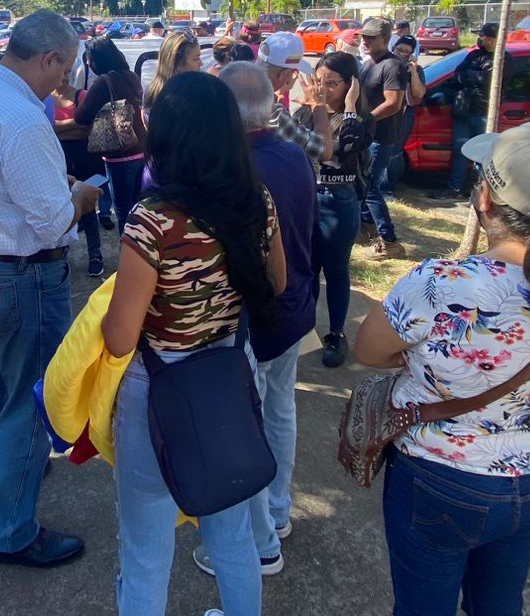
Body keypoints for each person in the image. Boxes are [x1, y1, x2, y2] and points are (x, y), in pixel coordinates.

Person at [354, 122, 530, 616]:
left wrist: (419, 360)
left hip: (439, 476)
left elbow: (368, 350)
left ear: (485, 198)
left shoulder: (442, 282)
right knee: (498, 603)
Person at [102, 71, 285, 616]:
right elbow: (277, 282)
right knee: (231, 531)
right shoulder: (256, 199)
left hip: (159, 385)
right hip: (230, 369)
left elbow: (119, 336)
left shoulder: (152, 220)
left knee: (146, 545)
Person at [0, 10, 102, 567]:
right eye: (65, 69)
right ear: (50, 58)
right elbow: (54, 223)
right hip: (24, 276)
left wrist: (58, 191)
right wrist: (81, 197)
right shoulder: (24, 118)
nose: (65, 81)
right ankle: (11, 530)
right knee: (31, 403)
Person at [213, 62, 317, 571]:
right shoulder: (294, 154)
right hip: (293, 309)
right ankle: (277, 514)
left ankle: (260, 545)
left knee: (248, 426)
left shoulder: (234, 170)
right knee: (279, 412)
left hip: (252, 321)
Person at [296, 51, 374, 367]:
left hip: (338, 201)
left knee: (336, 270)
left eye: (333, 82)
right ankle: (304, 330)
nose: (325, 88)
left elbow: (347, 143)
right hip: (307, 198)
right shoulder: (306, 113)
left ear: (351, 83)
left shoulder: (360, 118)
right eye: (320, 81)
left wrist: (352, 106)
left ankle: (336, 335)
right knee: (308, 268)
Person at [73, 37, 148, 232]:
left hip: (120, 156)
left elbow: (81, 117)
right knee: (138, 208)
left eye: (89, 59)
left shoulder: (103, 83)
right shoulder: (131, 76)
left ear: (96, 60)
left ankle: (127, 255)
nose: (88, 63)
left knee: (123, 211)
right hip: (142, 150)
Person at [438, 22, 513, 199]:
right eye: (482, 37)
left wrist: (472, 76)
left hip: (484, 113)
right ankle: (454, 188)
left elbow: (488, 81)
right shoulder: (474, 55)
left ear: (496, 39)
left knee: (483, 155)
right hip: (463, 111)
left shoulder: (505, 60)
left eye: (486, 38)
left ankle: (481, 192)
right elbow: (458, 74)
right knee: (460, 150)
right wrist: (474, 77)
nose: (482, 40)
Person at [356, 17, 407, 261]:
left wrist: (367, 119)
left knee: (371, 187)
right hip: (368, 135)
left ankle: (390, 242)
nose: (365, 41)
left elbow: (393, 103)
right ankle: (367, 227)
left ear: (385, 39)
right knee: (365, 184)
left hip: (382, 138)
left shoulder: (393, 66)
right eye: (363, 37)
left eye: (371, 37)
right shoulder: (368, 64)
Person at [52, 73, 106, 278]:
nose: (63, 77)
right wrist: (73, 124)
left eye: (67, 73)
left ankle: (95, 254)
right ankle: (61, 255)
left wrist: (57, 127)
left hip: (83, 159)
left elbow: (85, 129)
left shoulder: (81, 96)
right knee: (60, 206)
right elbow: (50, 130)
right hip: (59, 159)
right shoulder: (46, 98)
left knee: (88, 207)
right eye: (61, 72)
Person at [256, 31, 333, 162]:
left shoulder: (232, 83)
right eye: (292, 73)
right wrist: (319, 105)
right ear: (283, 75)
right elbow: (323, 151)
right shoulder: (272, 113)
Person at [382, 34, 426, 200]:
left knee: (395, 152)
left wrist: (413, 72)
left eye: (407, 52)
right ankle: (377, 186)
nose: (402, 54)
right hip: (385, 111)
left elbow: (419, 93)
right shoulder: (386, 65)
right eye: (400, 49)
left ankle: (388, 188)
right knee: (381, 148)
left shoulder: (416, 70)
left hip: (404, 113)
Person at [142, 30, 201, 117]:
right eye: (196, 59)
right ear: (177, 63)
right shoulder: (196, 95)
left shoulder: (149, 92)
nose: (201, 63)